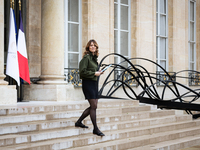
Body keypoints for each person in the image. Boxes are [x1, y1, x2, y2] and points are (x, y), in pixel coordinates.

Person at [75, 39, 105, 136]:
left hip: (94, 84)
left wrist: (99, 72)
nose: (93, 47)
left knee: (94, 106)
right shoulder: (86, 58)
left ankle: (79, 122)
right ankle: (95, 128)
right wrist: (94, 73)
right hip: (88, 84)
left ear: (96, 48)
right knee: (94, 106)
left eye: (94, 45)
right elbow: (82, 72)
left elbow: (93, 72)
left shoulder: (94, 59)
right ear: (88, 47)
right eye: (91, 45)